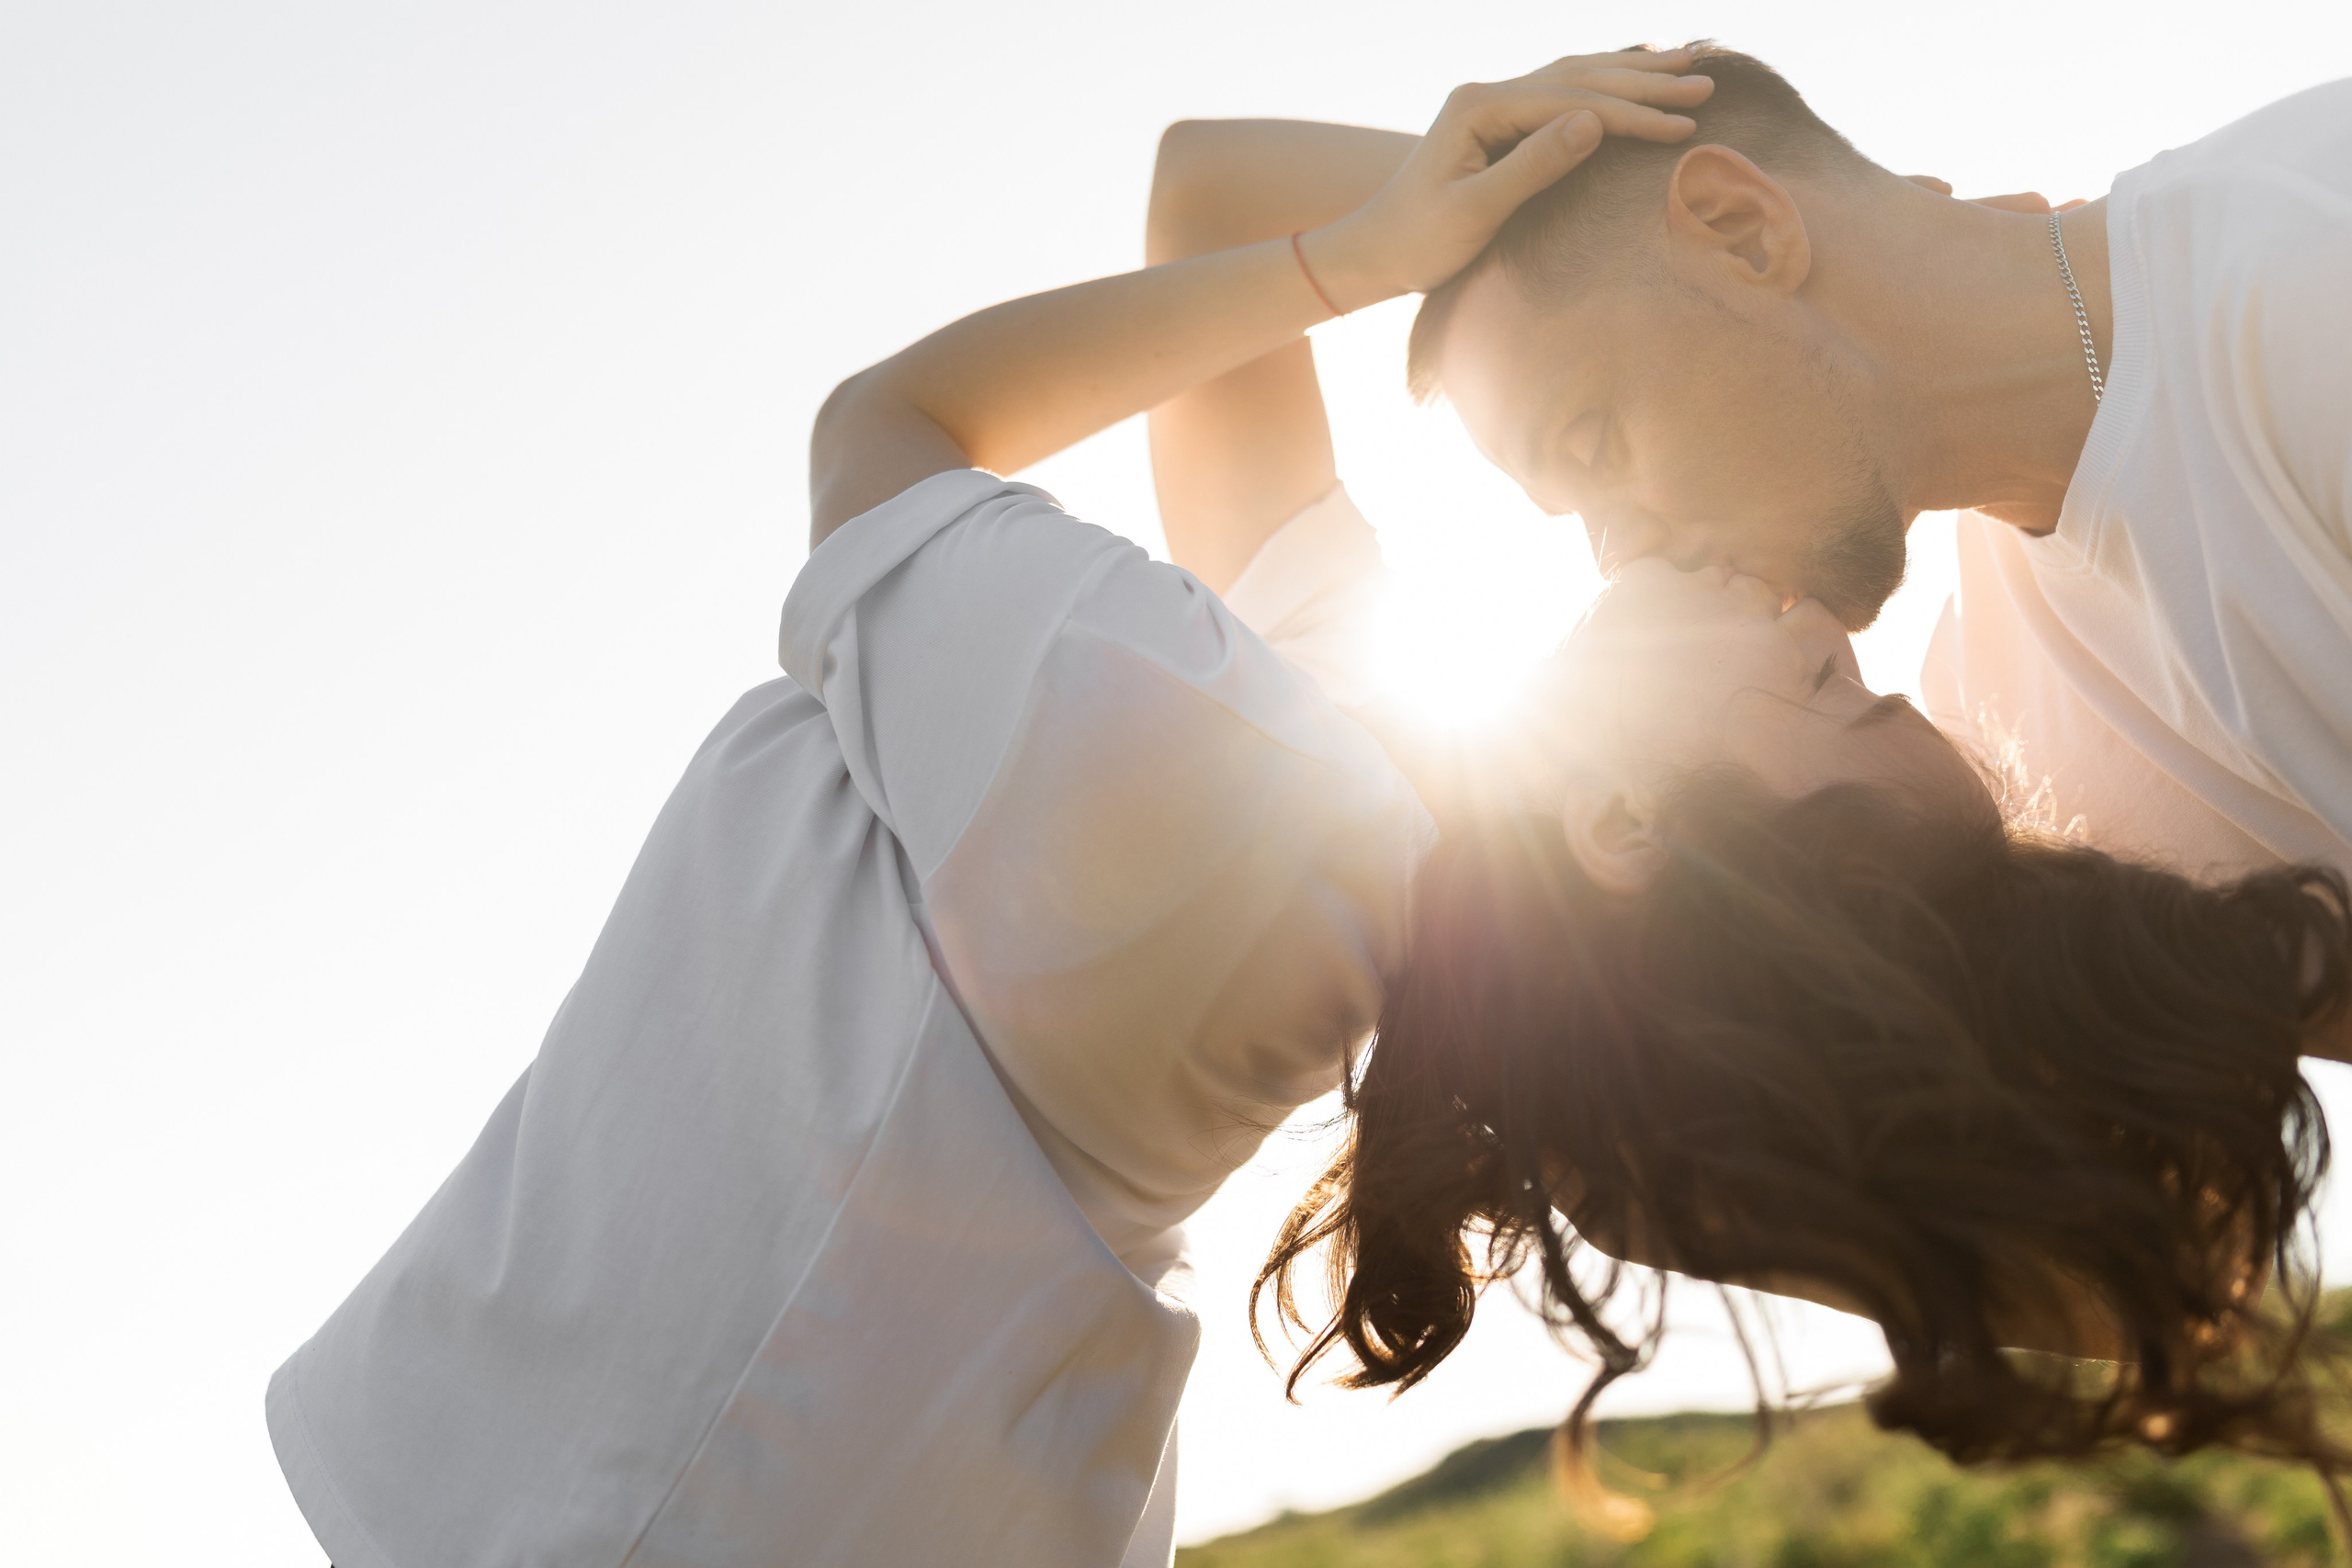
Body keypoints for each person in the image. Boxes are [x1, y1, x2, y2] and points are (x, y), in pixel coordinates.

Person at [269, 53, 2344, 1568]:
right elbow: (1201, 182)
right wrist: (1603, 227)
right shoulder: (1370, 825)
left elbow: (882, 429)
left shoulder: (1216, 796)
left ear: (1637, 820)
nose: (1789, 607)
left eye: (1819, 688)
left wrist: (1393, 247)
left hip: (632, 1477)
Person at [1400, 42, 2352, 886]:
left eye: (1590, 443)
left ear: (1741, 230)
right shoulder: (1979, 702)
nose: (1620, 556)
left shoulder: (2314, 285)